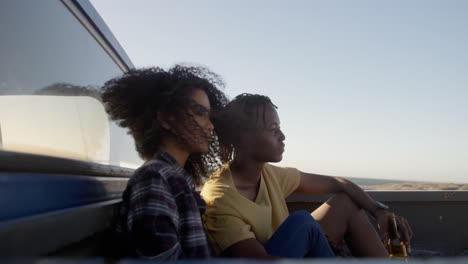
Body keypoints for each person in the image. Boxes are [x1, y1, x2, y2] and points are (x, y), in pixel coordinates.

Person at [201, 93, 413, 259]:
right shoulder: (221, 198)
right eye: (273, 129)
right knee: (302, 222)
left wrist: (379, 211)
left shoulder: (270, 174)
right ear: (243, 139)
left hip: (288, 252)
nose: (282, 136)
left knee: (344, 203)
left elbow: (337, 183)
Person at [101, 65, 228, 260]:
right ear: (166, 118)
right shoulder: (155, 178)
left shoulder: (176, 178)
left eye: (209, 116)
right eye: (199, 112)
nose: (210, 126)